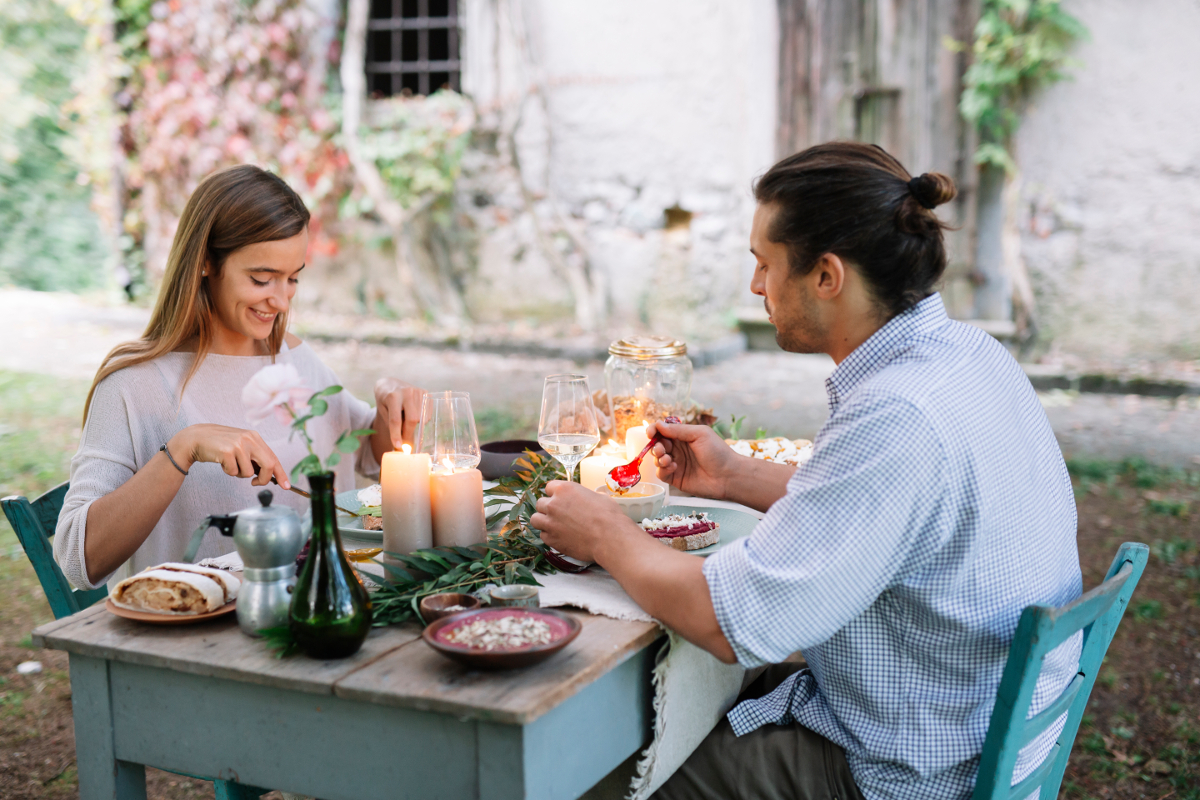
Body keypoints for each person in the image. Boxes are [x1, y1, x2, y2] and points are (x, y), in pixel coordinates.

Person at [531, 143, 1082, 800]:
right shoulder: (967, 354)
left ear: (827, 275)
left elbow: (727, 621)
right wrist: (734, 476)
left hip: (907, 772)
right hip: (972, 722)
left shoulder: (896, 413)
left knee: (584, 779)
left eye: (764, 264)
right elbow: (895, 518)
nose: (756, 287)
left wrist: (605, 535)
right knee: (656, 716)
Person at [56, 165, 425, 591]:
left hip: (322, 614)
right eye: (261, 279)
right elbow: (75, 561)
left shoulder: (291, 359)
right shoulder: (133, 385)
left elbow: (371, 453)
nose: (281, 300)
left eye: (293, 279)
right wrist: (182, 449)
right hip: (198, 637)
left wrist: (388, 401)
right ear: (206, 263)